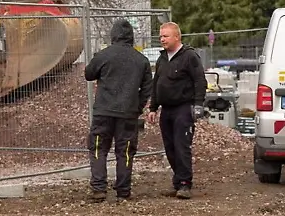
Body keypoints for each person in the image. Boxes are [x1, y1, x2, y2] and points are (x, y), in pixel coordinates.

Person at [83, 18, 154, 202]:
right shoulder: (141, 60)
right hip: (128, 113)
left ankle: (99, 188)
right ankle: (123, 190)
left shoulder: (104, 55)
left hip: (103, 111)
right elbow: (147, 87)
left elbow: (88, 74)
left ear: (113, 35)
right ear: (131, 37)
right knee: (125, 151)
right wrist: (137, 107)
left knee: (98, 148)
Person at [146, 22, 207, 199]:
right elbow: (156, 84)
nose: (162, 39)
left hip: (183, 108)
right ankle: (178, 181)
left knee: (182, 146)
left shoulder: (189, 57)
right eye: (161, 36)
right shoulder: (162, 59)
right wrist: (153, 107)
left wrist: (198, 105)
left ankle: (185, 184)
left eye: (166, 36)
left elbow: (200, 81)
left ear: (177, 37)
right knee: (170, 147)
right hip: (166, 109)